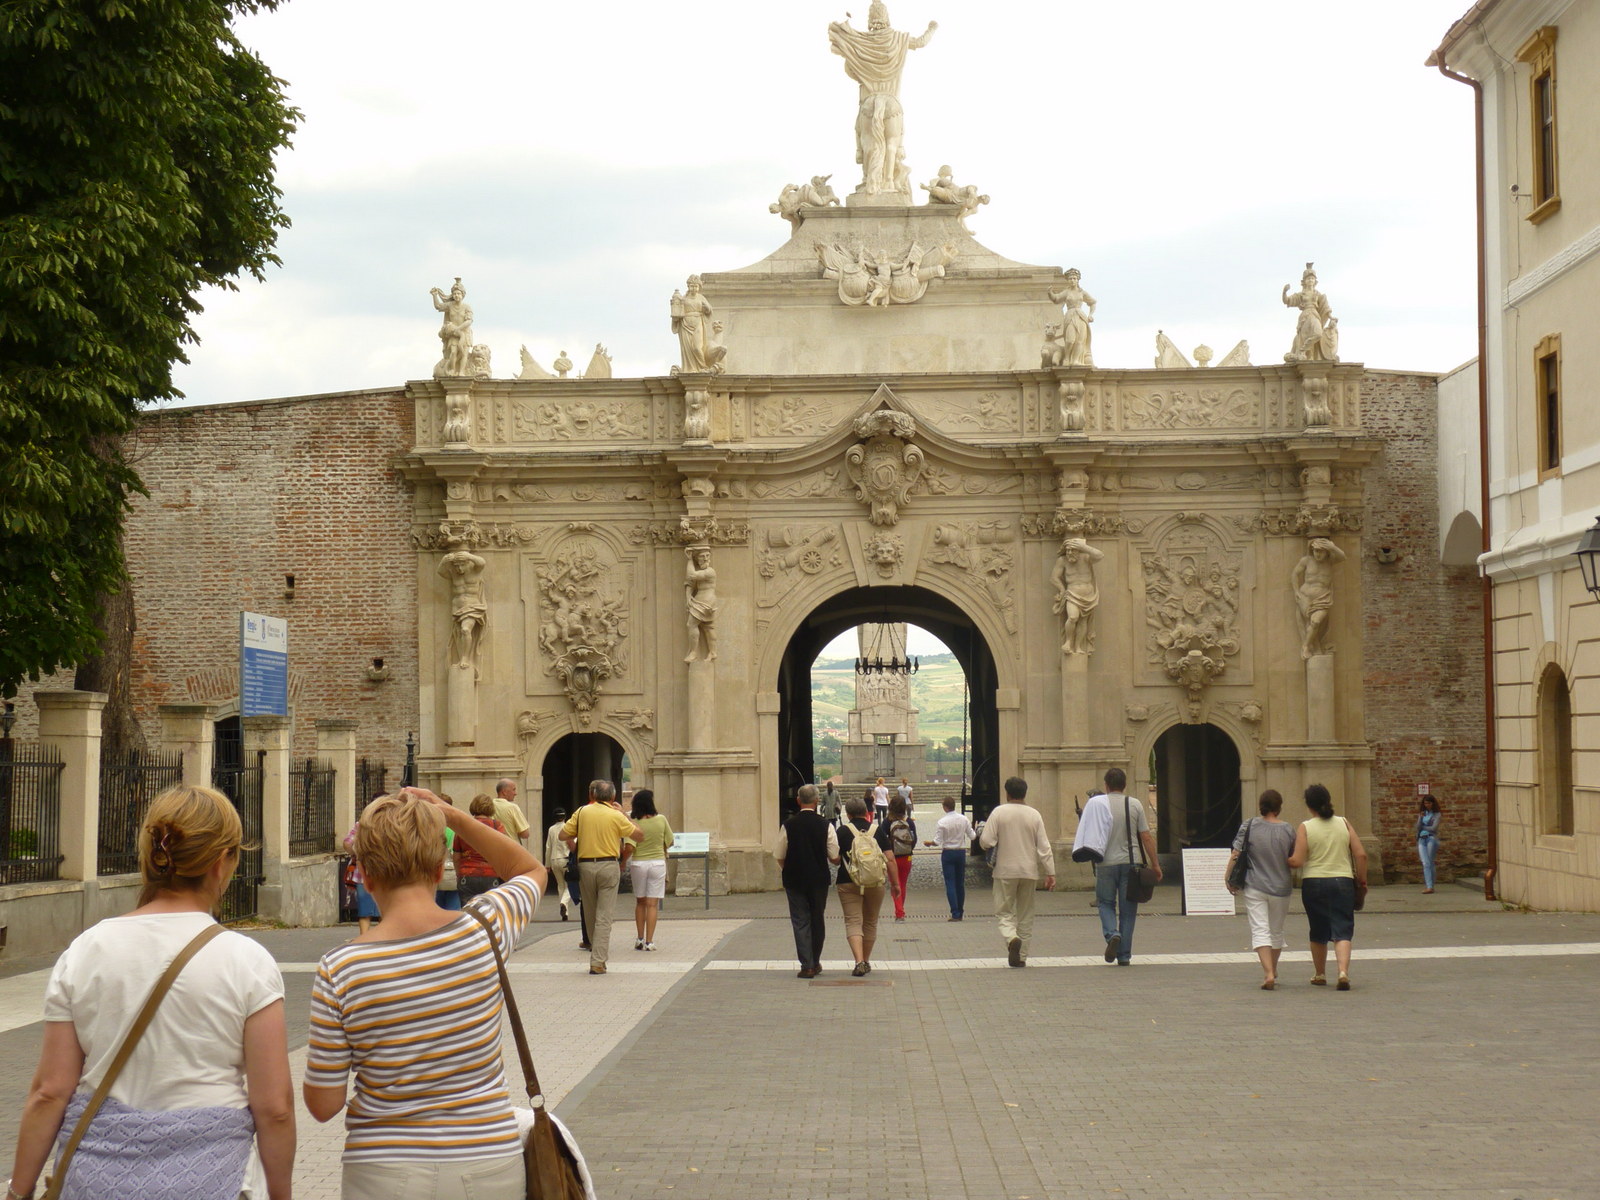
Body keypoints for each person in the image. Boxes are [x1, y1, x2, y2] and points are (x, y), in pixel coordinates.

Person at [8, 784, 294, 1200]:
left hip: (98, 1180)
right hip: (213, 1177)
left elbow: (50, 1091)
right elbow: (275, 1108)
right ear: (221, 862)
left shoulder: (87, 949)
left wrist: (19, 1190)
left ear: (150, 855)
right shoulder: (246, 960)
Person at [304, 787, 548, 1199]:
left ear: (365, 876)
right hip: (488, 1157)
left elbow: (323, 1104)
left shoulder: (341, 967)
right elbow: (529, 869)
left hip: (383, 1167)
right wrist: (455, 818)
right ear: (439, 870)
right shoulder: (486, 929)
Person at [1288, 783, 1368, 990]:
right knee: (1343, 929)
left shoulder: (1306, 827)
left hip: (1313, 882)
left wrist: (1281, 859)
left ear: (1308, 805)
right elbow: (1361, 855)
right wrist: (1362, 881)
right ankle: (1343, 972)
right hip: (1342, 881)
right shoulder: (1344, 823)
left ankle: (1320, 974)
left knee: (1318, 930)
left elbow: (1298, 861)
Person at [561, 781, 643, 975]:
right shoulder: (616, 815)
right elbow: (639, 835)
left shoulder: (581, 812)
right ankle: (597, 961)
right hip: (609, 866)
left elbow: (563, 835)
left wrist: (579, 839)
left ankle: (594, 949)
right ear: (613, 797)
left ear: (593, 795)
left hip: (585, 866)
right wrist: (624, 815)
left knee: (589, 912)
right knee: (604, 916)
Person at [1223, 789, 1298, 989]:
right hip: (1281, 887)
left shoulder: (1249, 825)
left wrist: (1228, 877)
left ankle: (1268, 973)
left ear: (1261, 806)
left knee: (1260, 929)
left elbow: (1236, 853)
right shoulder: (1288, 830)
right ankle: (1273, 968)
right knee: (1276, 930)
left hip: (1255, 885)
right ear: (1279, 807)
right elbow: (1294, 858)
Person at [978, 776, 1056, 967]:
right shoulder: (1034, 814)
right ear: (1024, 793)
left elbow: (986, 841)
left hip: (1005, 871)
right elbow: (1044, 846)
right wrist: (1050, 872)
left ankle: (1011, 937)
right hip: (1029, 871)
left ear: (1007, 793)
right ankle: (1021, 957)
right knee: (1026, 915)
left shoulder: (999, 813)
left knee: (1004, 912)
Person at [1094, 767, 1162, 966]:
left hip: (1105, 862)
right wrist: (1155, 864)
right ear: (1124, 785)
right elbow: (1146, 837)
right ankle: (1123, 955)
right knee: (1128, 909)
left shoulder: (1098, 805)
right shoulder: (1134, 804)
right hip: (1131, 863)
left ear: (1106, 785)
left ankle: (1112, 934)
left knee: (1105, 903)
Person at [776, 784, 841, 978]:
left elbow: (779, 855)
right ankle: (816, 960)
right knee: (817, 918)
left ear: (798, 801)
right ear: (817, 801)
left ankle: (807, 965)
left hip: (794, 879)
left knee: (800, 921)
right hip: (819, 879)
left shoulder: (788, 825)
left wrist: (788, 869)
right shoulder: (826, 825)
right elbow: (834, 856)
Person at [836, 795, 899, 976]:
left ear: (848, 814)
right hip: (875, 882)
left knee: (853, 921)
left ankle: (858, 961)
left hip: (848, 881)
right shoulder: (876, 830)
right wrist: (896, 884)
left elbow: (834, 858)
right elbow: (890, 859)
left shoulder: (842, 831)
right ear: (866, 812)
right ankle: (866, 960)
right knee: (870, 922)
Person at [627, 789, 674, 951]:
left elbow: (630, 846)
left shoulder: (633, 823)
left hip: (639, 863)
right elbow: (670, 841)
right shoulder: (661, 819)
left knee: (640, 902)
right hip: (657, 863)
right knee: (652, 904)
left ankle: (639, 938)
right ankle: (649, 941)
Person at [926, 796, 976, 921]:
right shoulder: (964, 819)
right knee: (960, 883)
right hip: (960, 852)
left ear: (945, 807)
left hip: (948, 853)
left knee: (950, 883)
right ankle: (960, 910)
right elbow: (973, 836)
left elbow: (937, 841)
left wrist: (929, 843)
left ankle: (955, 912)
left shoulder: (942, 822)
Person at [457, 794, 507, 901]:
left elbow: (456, 856)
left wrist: (459, 874)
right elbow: (503, 852)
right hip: (490, 874)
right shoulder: (497, 826)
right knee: (490, 908)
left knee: (468, 909)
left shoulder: (463, 826)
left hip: (467, 875)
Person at [344, 820, 381, 934]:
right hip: (385, 874)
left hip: (363, 875)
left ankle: (364, 939)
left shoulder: (361, 825)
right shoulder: (391, 824)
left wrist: (354, 854)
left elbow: (347, 843)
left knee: (364, 913)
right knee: (385, 912)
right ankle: (383, 939)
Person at [683, 547, 718, 662]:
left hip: (705, 600)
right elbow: (690, 583)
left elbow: (691, 576)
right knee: (708, 626)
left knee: (691, 624)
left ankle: (693, 653)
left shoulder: (710, 571)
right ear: (697, 559)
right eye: (702, 556)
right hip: (703, 600)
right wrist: (688, 596)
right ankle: (712, 652)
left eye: (707, 556)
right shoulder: (702, 572)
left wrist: (689, 560)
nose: (705, 559)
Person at [886, 795, 917, 921]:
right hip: (906, 858)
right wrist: (908, 849)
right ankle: (900, 909)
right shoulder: (909, 822)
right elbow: (914, 839)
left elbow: (881, 839)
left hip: (892, 857)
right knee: (902, 884)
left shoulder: (887, 822)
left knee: (895, 884)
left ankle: (899, 912)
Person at [544, 806, 572, 921]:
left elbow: (548, 847)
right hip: (566, 859)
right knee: (570, 885)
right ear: (565, 817)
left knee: (560, 885)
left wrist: (547, 865)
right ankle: (564, 902)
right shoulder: (568, 827)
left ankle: (565, 913)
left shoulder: (551, 829)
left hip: (554, 859)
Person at [1416, 794, 1443, 893]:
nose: (1426, 805)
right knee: (1425, 862)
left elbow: (1433, 828)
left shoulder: (1437, 814)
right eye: (1425, 803)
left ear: (1432, 803)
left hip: (1431, 839)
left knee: (1429, 862)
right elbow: (1418, 827)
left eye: (1428, 803)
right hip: (1421, 839)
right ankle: (1429, 886)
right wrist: (1420, 818)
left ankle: (1430, 886)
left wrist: (1423, 827)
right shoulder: (1423, 813)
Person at [491, 777, 530, 842]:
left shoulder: (489, 806)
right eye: (513, 790)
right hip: (511, 846)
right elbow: (525, 834)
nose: (515, 793)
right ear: (504, 792)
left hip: (494, 845)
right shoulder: (512, 808)